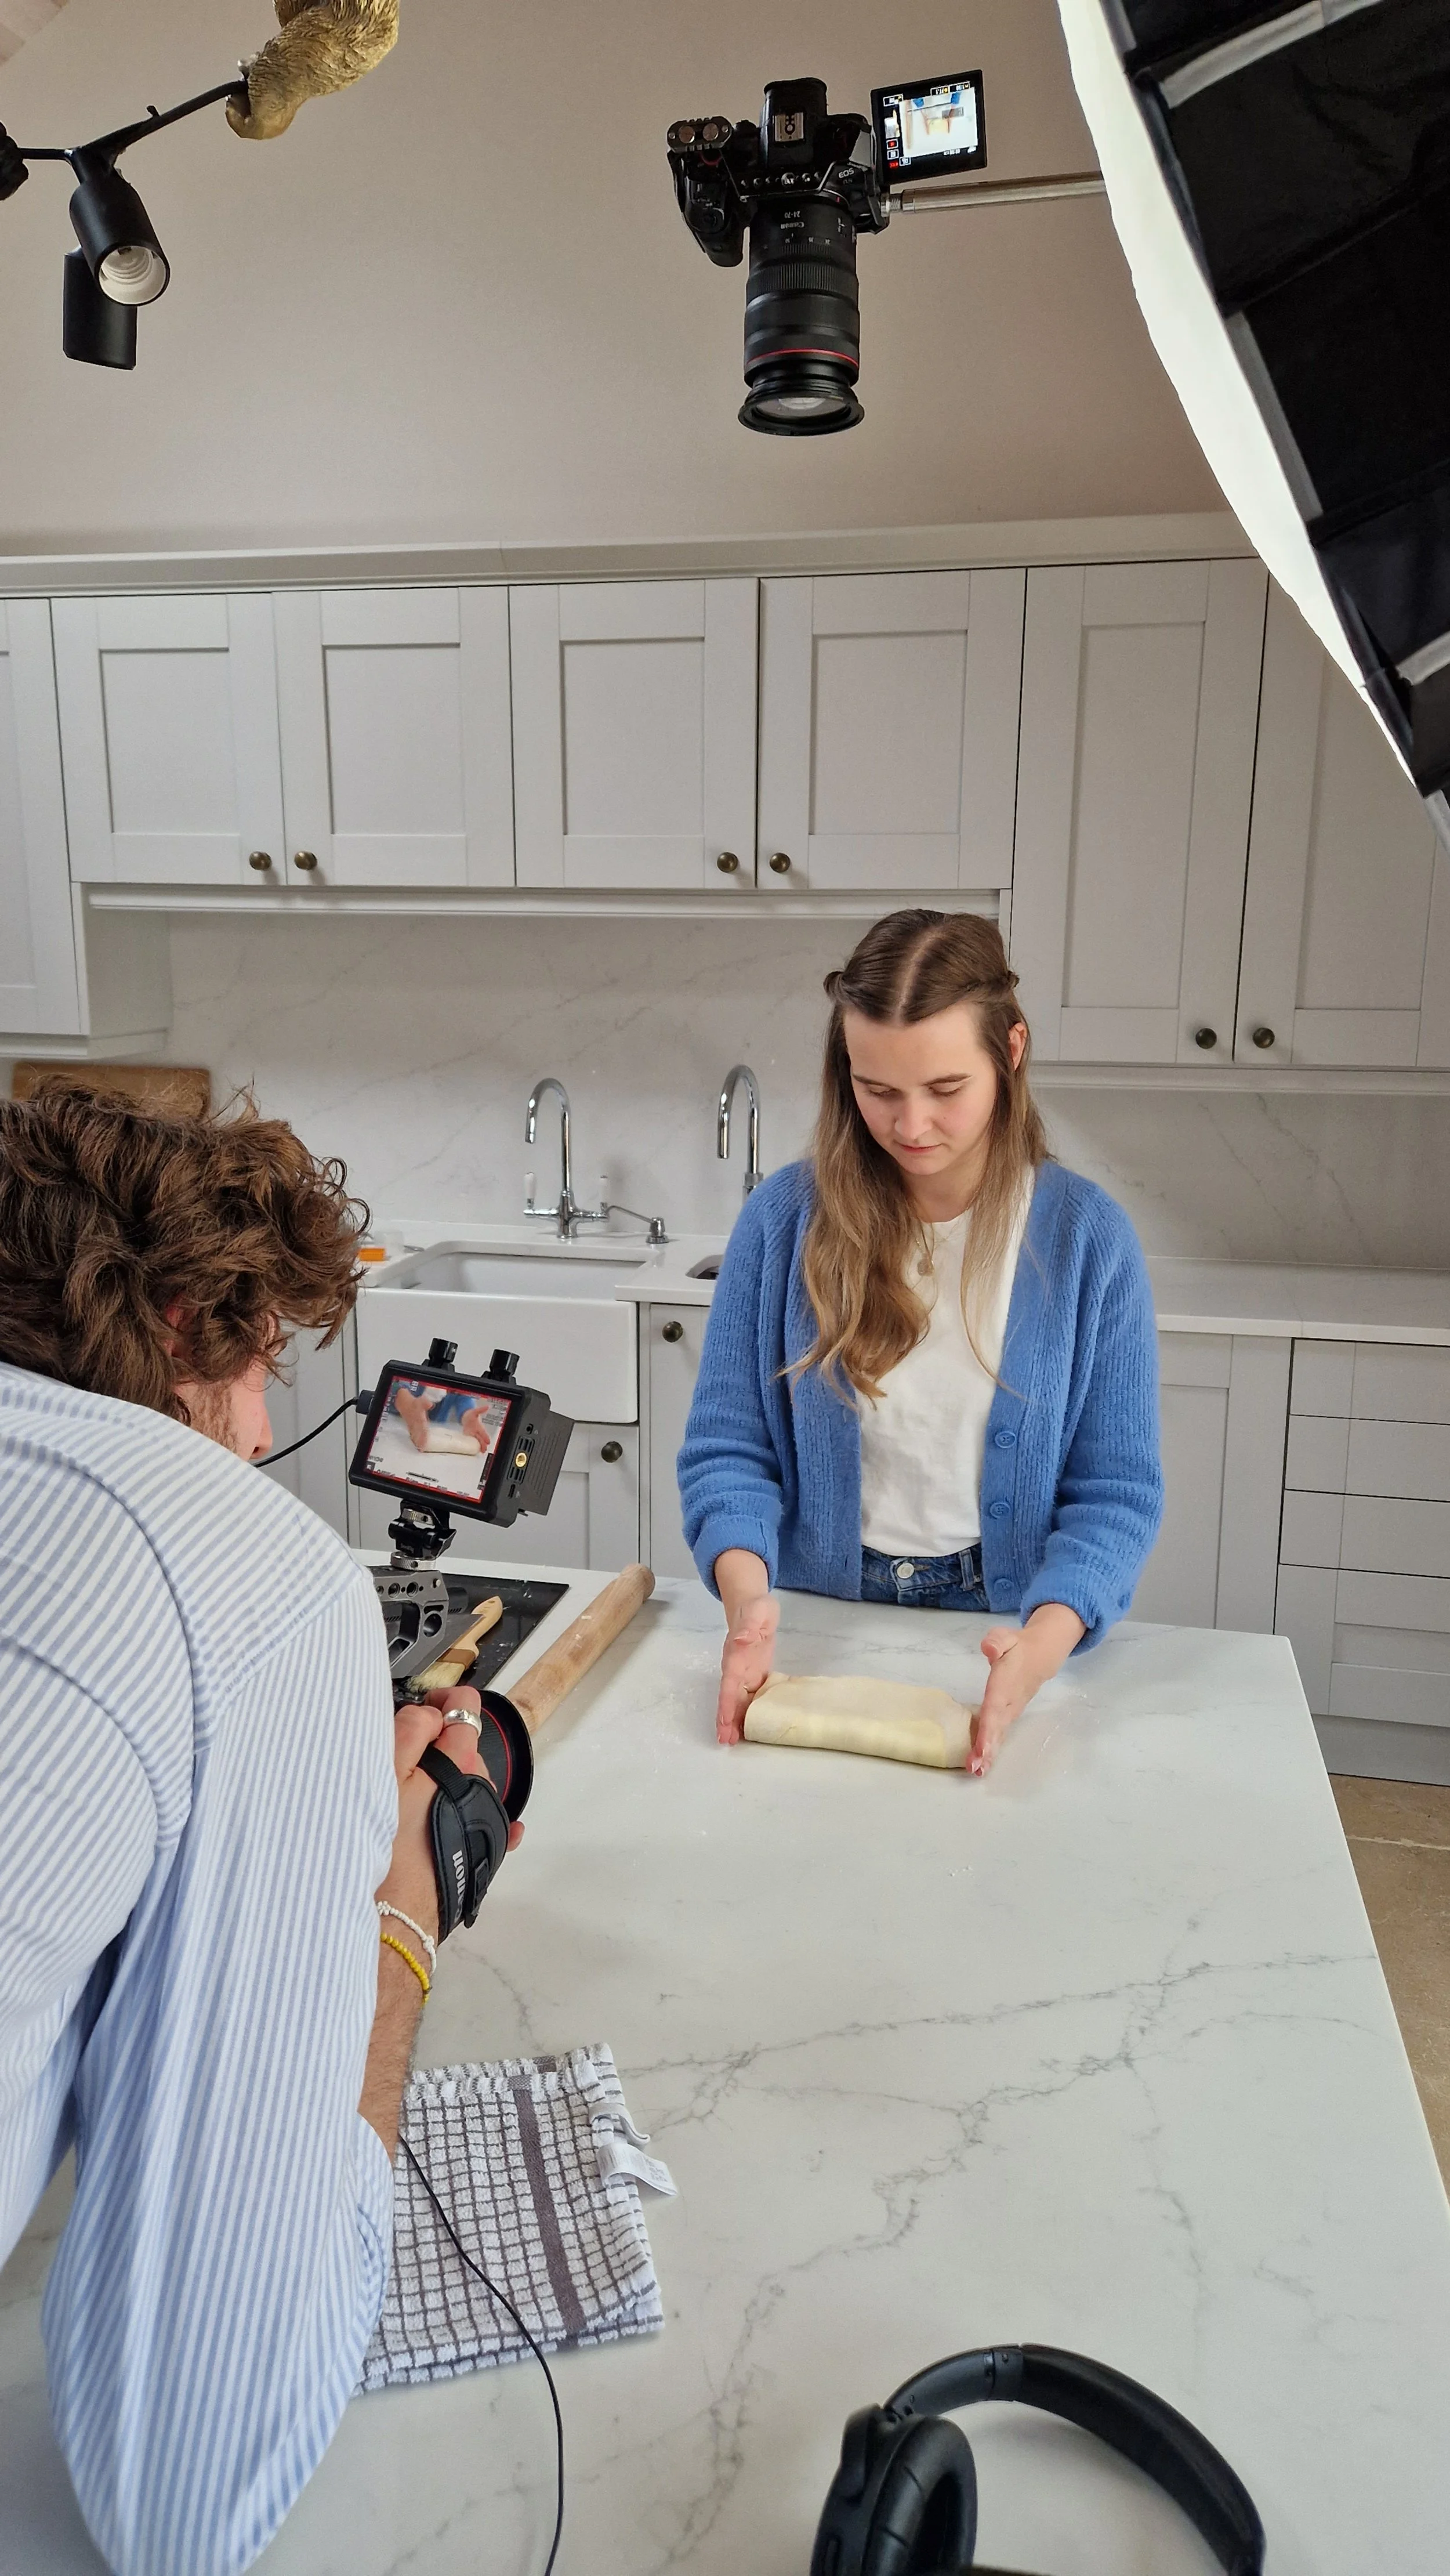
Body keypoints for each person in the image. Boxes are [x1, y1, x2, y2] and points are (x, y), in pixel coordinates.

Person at [0, 1086, 515, 2576]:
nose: (268, 1427)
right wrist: (396, 1917)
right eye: (261, 1363)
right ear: (179, 1325)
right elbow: (183, 2482)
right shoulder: (253, 1576)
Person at [679, 909, 1163, 1775]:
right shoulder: (784, 1223)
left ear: (1010, 1053)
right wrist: (748, 1607)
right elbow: (727, 1450)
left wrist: (1039, 1651)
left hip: (1003, 1622)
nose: (910, 1127)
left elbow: (1115, 1495)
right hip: (815, 1618)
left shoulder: (1090, 1241)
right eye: (878, 1090)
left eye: (945, 1090)